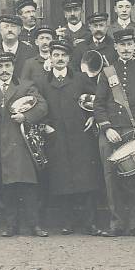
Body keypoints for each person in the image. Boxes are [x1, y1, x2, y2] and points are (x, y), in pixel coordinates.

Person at [93, 28, 135, 237]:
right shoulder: (107, 72)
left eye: (130, 44)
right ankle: (117, 223)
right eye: (122, 45)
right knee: (111, 180)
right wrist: (107, 127)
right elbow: (98, 104)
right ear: (116, 46)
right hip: (111, 132)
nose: (126, 48)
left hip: (134, 131)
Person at [0, 52, 49, 237]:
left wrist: (26, 117)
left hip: (21, 145)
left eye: (7, 66)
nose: (4, 70)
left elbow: (42, 107)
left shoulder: (25, 86)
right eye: (0, 67)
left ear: (13, 67)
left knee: (28, 186)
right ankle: (11, 226)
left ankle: (35, 225)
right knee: (6, 187)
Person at [36, 40, 103, 236]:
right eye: (55, 55)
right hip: (55, 136)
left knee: (87, 180)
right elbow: (37, 105)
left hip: (80, 135)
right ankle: (67, 222)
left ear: (69, 58)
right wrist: (44, 125)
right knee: (62, 179)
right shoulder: (42, 82)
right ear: (50, 57)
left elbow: (97, 99)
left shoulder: (80, 78)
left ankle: (90, 223)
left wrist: (92, 115)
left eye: (63, 55)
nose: (59, 59)